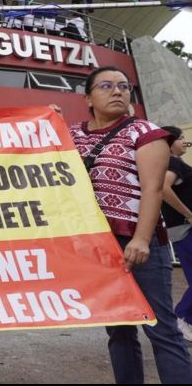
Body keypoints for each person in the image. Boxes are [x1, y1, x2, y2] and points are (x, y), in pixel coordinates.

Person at [67, 66, 192, 384]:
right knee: (119, 331)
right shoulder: (71, 134)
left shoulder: (145, 132)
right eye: (106, 86)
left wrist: (141, 238)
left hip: (140, 243)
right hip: (98, 246)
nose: (118, 91)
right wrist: (45, 120)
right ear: (88, 98)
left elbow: (153, 189)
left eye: (124, 86)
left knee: (161, 330)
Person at [159, 125, 192, 342]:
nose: (185, 142)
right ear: (170, 143)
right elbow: (163, 188)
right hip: (185, 227)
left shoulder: (174, 163)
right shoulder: (171, 163)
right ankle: (181, 317)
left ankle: (184, 318)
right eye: (181, 138)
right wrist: (188, 213)